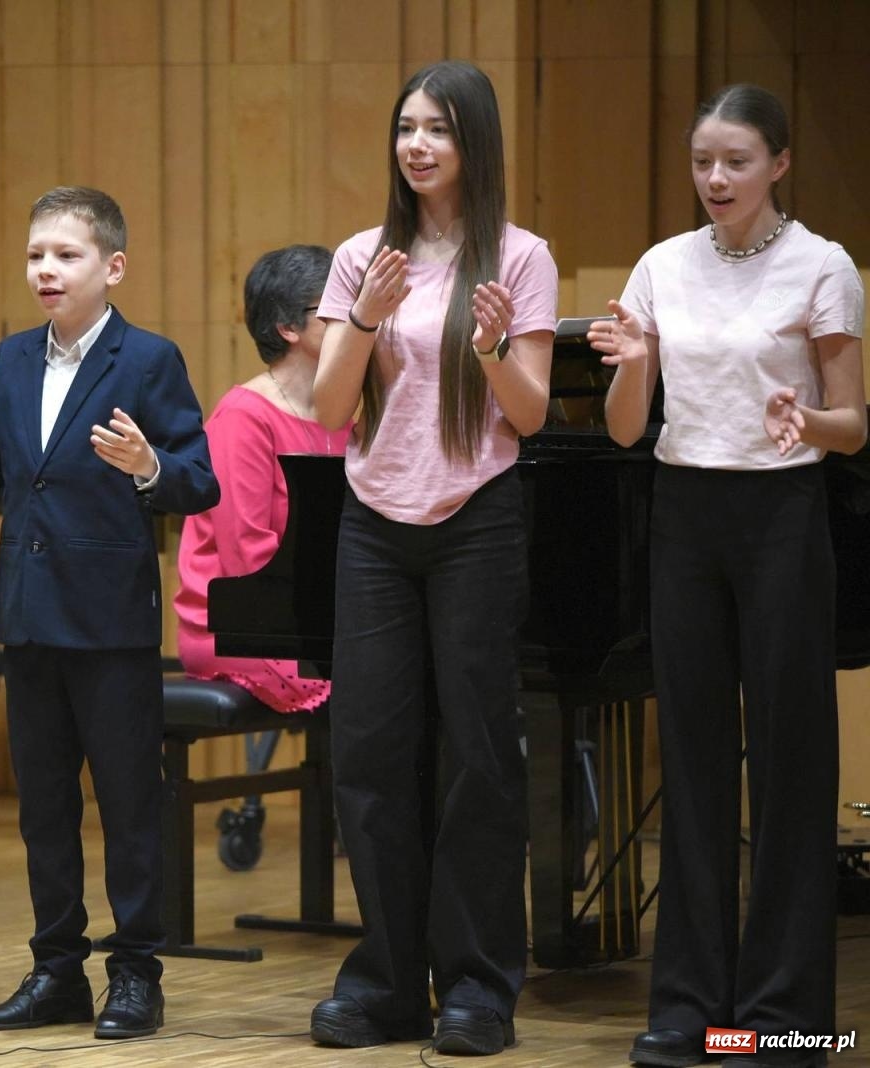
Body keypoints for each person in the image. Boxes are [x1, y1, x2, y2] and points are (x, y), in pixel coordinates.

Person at [590, 85, 865, 1068]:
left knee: (789, 762)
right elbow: (628, 427)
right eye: (703, 161)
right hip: (685, 515)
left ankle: (786, 1012)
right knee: (695, 762)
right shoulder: (663, 265)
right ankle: (688, 1005)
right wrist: (630, 363)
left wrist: (807, 423)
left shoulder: (822, 266)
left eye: (736, 161)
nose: (715, 179)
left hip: (782, 516)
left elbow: (852, 421)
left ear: (779, 164)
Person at [0, 186, 217, 1039]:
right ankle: (56, 970)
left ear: (111, 267)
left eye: (66, 255)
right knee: (43, 805)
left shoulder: (149, 360)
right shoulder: (12, 359)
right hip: (29, 615)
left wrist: (152, 464)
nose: (46, 269)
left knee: (127, 802)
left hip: (111, 619)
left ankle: (135, 974)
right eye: (36, 254)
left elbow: (199, 480)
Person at [307, 61, 557, 1056]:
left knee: (478, 761)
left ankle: (477, 985)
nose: (415, 145)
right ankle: (384, 980)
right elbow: (328, 410)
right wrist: (364, 314)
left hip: (476, 521)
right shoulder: (361, 256)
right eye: (406, 127)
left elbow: (530, 415)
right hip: (373, 523)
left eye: (437, 130)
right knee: (368, 755)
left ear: (474, 144)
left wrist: (494, 349)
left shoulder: (521, 256)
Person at [174, 243, 350, 713]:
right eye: (336, 309)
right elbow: (245, 554)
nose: (355, 319)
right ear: (288, 327)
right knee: (371, 691)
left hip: (318, 619)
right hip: (241, 626)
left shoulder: (347, 414)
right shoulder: (243, 417)